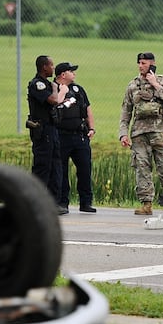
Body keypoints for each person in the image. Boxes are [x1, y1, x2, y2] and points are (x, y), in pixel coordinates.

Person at [118, 52, 163, 216]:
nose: (140, 66)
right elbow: (126, 111)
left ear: (152, 64)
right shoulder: (133, 85)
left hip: (161, 132)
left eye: (144, 63)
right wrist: (123, 133)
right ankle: (146, 204)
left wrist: (156, 85)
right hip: (139, 134)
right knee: (142, 168)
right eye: (139, 63)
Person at [53, 62, 96, 214]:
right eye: (71, 71)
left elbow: (87, 109)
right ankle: (62, 202)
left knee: (85, 169)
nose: (74, 74)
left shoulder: (78, 90)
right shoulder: (52, 89)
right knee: (61, 171)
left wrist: (91, 128)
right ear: (63, 75)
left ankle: (86, 202)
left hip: (80, 136)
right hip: (60, 136)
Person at [27, 55, 68, 215]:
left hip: (52, 129)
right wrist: (56, 88)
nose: (53, 68)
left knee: (55, 166)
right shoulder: (38, 84)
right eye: (51, 65)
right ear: (44, 67)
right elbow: (53, 100)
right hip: (42, 130)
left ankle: (53, 202)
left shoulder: (47, 84)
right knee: (42, 166)